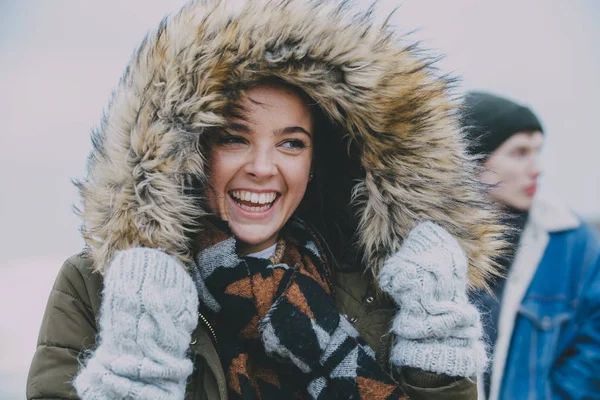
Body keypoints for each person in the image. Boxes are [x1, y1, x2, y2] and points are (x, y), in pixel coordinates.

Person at [26, 1, 506, 399]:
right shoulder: (95, 284)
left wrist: (434, 357)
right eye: (234, 138)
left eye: (291, 142)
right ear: (190, 149)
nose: (262, 166)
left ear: (319, 160)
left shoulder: (382, 282)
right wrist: (136, 380)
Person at [462, 91, 600, 400]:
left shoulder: (571, 241)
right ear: (474, 158)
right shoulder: (425, 241)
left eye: (537, 152)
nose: (536, 168)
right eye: (519, 152)